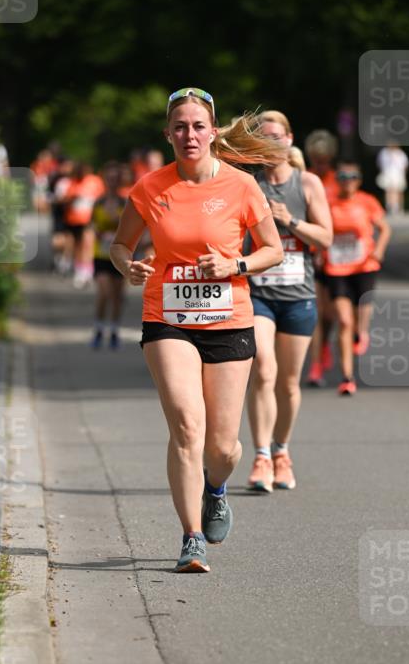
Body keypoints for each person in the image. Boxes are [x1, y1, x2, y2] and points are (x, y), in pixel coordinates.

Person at [110, 87, 285, 572]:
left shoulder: (242, 186)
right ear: (168, 134)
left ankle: (216, 489)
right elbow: (119, 245)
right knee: (187, 424)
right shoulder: (150, 187)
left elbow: (273, 250)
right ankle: (190, 538)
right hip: (166, 317)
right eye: (180, 127)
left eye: (197, 126)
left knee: (223, 447)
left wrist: (235, 264)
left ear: (212, 132)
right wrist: (129, 267)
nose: (189, 135)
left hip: (229, 318)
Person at [244, 111, 333, 492]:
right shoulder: (249, 184)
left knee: (289, 382)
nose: (272, 144)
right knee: (263, 368)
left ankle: (282, 451)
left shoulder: (308, 183)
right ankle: (262, 456)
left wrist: (289, 220)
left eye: (277, 137)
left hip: (299, 297)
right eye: (263, 139)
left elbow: (325, 238)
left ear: (289, 139)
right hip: (259, 293)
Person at [321, 162, 391, 395]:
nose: (348, 180)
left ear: (359, 180)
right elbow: (321, 231)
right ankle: (347, 377)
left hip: (364, 265)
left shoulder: (367, 201)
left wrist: (379, 249)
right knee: (343, 320)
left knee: (361, 311)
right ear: (338, 179)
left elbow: (385, 228)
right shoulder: (329, 204)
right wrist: (318, 253)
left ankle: (362, 332)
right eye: (343, 176)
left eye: (353, 176)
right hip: (336, 268)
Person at [304, 129, 340, 386]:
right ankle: (315, 366)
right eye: (317, 159)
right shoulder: (304, 179)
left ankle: (326, 344)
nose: (321, 163)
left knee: (330, 314)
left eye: (325, 159)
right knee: (317, 311)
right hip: (313, 253)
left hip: (337, 255)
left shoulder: (338, 181)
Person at [90, 163, 129, 349]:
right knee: (104, 293)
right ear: (105, 181)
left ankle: (114, 330)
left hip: (121, 255)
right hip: (101, 254)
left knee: (117, 296)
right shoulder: (98, 202)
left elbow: (132, 228)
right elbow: (91, 224)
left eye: (116, 179)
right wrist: (97, 231)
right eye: (110, 179)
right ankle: (98, 328)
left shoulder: (125, 203)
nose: (112, 182)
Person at [62, 162, 105, 288]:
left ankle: (87, 272)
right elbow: (66, 200)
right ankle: (79, 270)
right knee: (77, 246)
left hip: (89, 219)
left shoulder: (95, 181)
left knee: (88, 244)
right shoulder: (72, 182)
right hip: (74, 220)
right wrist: (73, 198)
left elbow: (102, 197)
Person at [376, 142, 409, 214]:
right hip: (388, 174)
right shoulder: (384, 153)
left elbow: (405, 165)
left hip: (399, 175)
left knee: (399, 191)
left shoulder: (400, 153)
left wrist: (403, 174)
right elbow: (379, 164)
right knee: (389, 191)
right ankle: (390, 207)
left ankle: (400, 208)